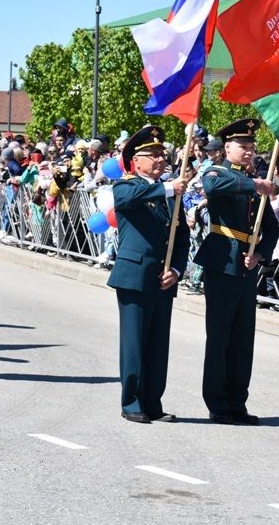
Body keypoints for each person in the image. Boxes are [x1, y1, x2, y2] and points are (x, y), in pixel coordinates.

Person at [194, 119, 279, 425]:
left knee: (243, 339)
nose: (248, 151)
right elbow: (213, 186)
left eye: (252, 147)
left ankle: (237, 401)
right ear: (227, 147)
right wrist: (256, 185)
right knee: (220, 337)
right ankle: (217, 403)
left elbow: (272, 230)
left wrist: (260, 254)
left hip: (246, 266)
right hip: (222, 261)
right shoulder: (218, 172)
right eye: (243, 146)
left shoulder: (256, 184)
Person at [106, 126, 189, 424]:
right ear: (135, 161)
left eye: (162, 154)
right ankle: (132, 402)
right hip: (134, 275)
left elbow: (182, 239)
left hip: (162, 278)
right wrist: (169, 188)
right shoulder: (125, 186)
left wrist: (177, 270)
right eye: (152, 155)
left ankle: (153, 401)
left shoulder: (169, 193)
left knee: (157, 344)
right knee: (134, 342)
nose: (159, 159)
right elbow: (129, 200)